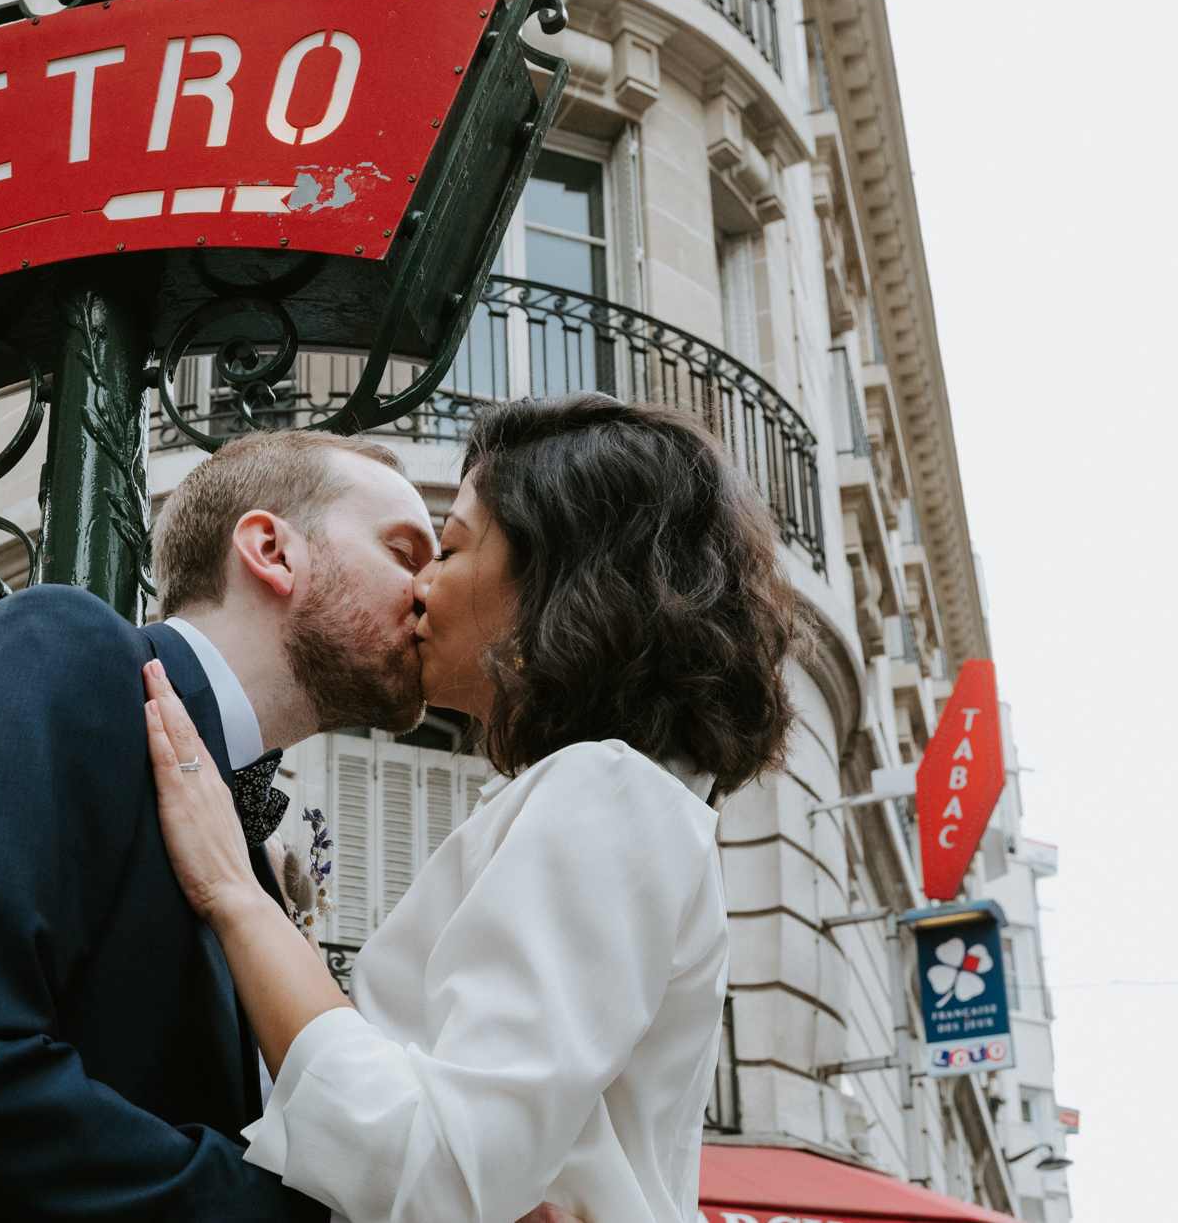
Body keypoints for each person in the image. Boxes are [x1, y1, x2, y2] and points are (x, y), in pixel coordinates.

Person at [144, 394, 806, 1223]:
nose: (420, 587)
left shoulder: (605, 789)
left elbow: (444, 1174)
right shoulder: (606, 793)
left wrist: (235, 894)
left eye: (451, 548)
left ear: (554, 577)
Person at [0, 429, 438, 1221]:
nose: (431, 591)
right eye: (405, 552)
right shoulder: (57, 642)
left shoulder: (246, 859)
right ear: (272, 551)